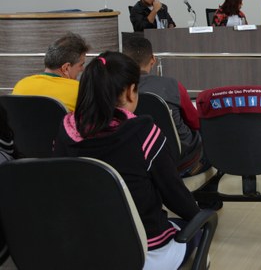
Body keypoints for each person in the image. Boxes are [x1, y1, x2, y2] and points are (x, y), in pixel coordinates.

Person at [53, 51, 203, 270]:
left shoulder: (65, 131)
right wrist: (200, 218)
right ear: (131, 91)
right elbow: (174, 194)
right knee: (197, 229)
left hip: (84, 249)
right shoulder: (144, 133)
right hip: (144, 252)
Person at [122, 36, 206, 176]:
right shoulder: (172, 85)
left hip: (136, 162)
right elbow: (195, 122)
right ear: (153, 59)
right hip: (179, 162)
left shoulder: (116, 90)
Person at [12, 32, 90, 112]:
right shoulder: (80, 90)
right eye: (81, 65)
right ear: (66, 68)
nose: (82, 69)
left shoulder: (21, 85)